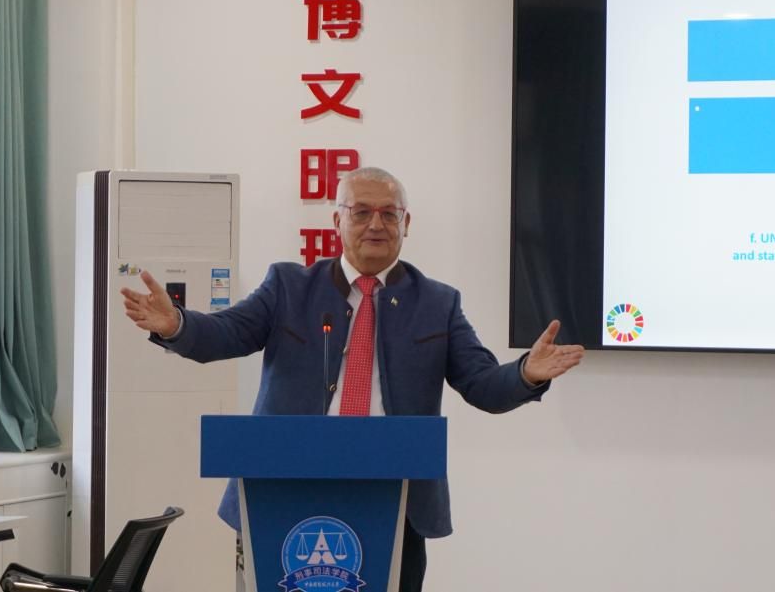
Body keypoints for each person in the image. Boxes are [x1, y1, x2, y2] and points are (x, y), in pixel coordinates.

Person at [120, 166, 583, 592]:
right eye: (361, 212)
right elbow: (226, 333)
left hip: (396, 499)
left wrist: (525, 373)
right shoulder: (288, 286)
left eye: (389, 214)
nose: (376, 224)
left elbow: (482, 384)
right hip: (282, 491)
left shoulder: (437, 303)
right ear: (337, 222)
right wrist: (177, 324)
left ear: (406, 223)